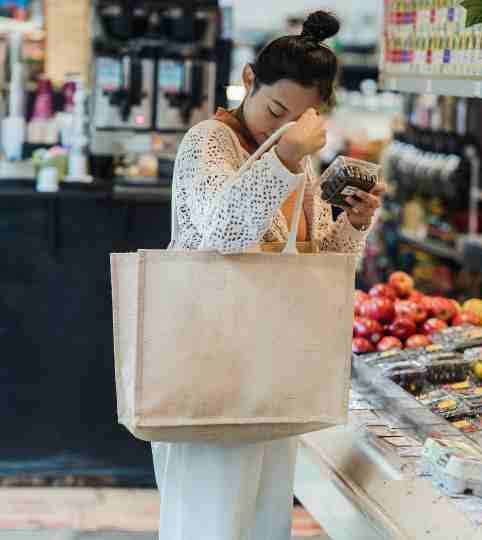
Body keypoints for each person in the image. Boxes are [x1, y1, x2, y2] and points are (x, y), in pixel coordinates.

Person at [151, 10, 385, 540]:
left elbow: (322, 267)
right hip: (208, 369)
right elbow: (224, 234)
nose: (281, 128)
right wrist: (284, 154)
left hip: (272, 370)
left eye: (297, 120)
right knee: (208, 521)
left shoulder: (298, 161)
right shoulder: (208, 143)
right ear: (249, 81)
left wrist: (354, 222)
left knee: (262, 521)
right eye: (275, 110)